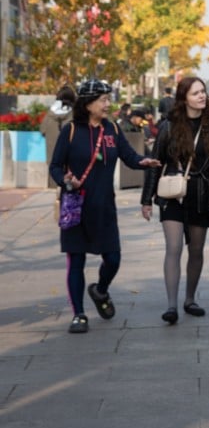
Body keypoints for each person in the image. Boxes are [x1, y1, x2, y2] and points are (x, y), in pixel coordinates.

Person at [49, 79, 162, 334]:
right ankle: (78, 314)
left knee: (113, 258)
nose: (108, 104)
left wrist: (143, 161)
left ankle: (100, 290)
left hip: (104, 208)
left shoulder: (111, 129)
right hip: (76, 207)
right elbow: (55, 166)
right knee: (75, 261)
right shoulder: (69, 131)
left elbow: (128, 156)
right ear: (88, 104)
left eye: (108, 99)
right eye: (103, 100)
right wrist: (65, 181)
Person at [141, 76, 209, 324]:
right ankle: (171, 306)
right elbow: (155, 163)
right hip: (172, 194)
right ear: (184, 99)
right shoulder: (169, 126)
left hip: (202, 194)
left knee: (196, 250)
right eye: (196, 93)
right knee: (173, 248)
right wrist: (146, 199)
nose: (202, 96)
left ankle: (189, 299)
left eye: (203, 92)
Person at [40, 85, 76, 189]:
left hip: (53, 162)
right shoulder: (75, 114)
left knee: (54, 189)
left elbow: (42, 130)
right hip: (71, 163)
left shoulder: (50, 114)